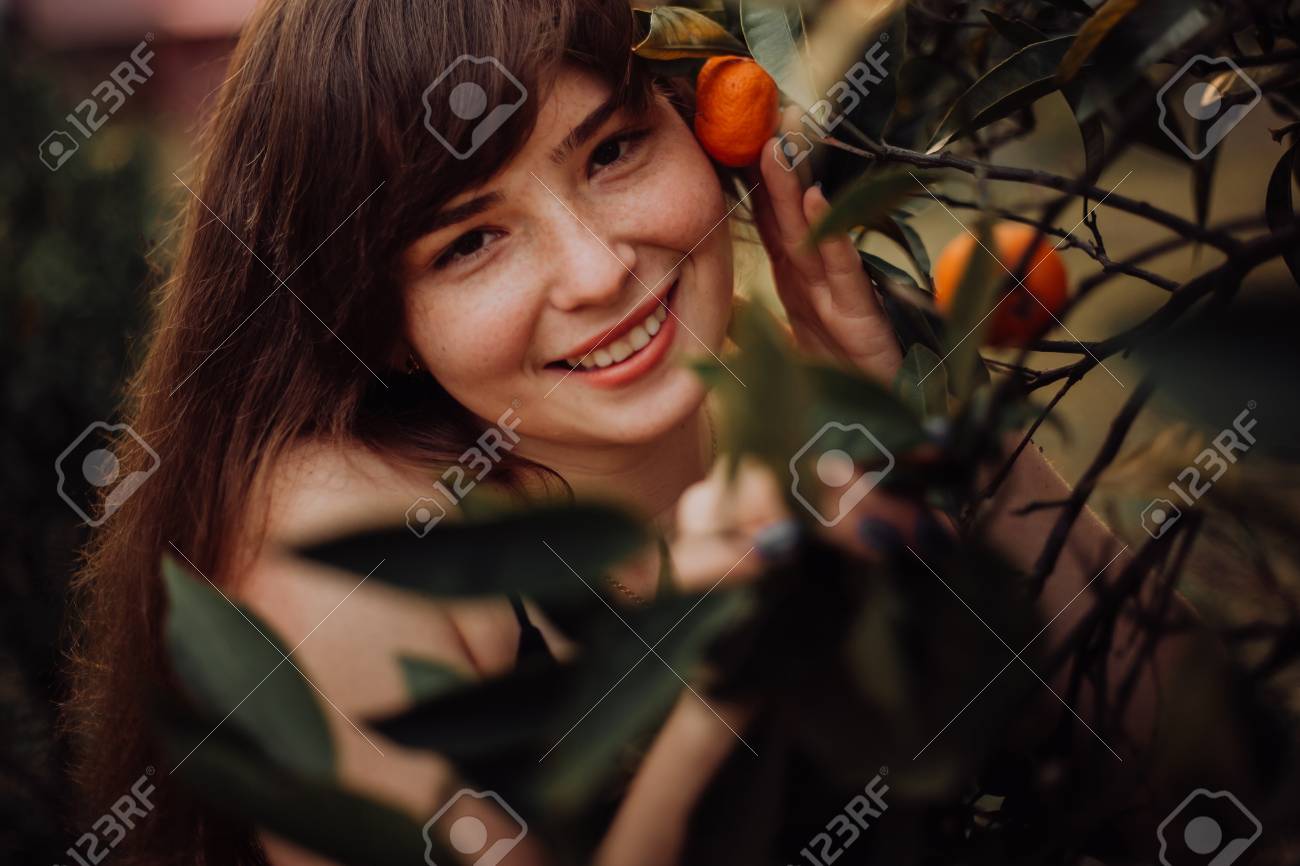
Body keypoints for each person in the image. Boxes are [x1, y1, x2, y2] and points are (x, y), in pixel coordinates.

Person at [66, 1, 1169, 864]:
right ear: (378, 326)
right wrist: (699, 695)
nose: (598, 271)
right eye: (469, 243)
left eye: (610, 153)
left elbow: (1185, 759)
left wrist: (913, 430)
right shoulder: (350, 552)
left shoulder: (785, 386)